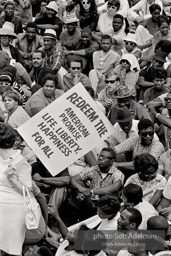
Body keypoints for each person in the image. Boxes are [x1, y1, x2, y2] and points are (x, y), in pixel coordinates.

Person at [0, 123, 32, 255]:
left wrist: (13, 179)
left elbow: (27, 191)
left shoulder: (21, 162)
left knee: (9, 249)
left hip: (12, 209)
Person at [71, 147, 124, 220]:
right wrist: (81, 189)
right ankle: (79, 219)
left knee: (88, 199)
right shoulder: (94, 169)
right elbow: (73, 179)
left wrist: (91, 192)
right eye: (100, 156)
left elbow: (114, 188)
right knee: (82, 195)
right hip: (93, 203)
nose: (100, 158)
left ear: (112, 161)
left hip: (109, 205)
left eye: (104, 157)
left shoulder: (117, 173)